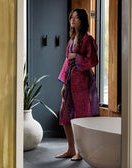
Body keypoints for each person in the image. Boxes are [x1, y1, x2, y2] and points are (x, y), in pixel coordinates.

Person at [56, 8, 99, 161]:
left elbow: (93, 61)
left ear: (82, 20)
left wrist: (77, 57)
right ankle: (70, 149)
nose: (72, 20)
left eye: (76, 17)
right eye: (71, 17)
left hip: (83, 83)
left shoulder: (88, 39)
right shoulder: (71, 40)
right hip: (70, 82)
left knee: (81, 116)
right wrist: (63, 85)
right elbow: (67, 63)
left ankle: (81, 152)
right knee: (65, 115)